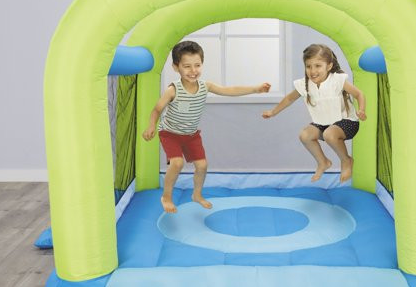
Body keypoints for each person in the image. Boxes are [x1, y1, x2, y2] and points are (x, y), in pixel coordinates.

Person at [142, 40, 271, 213]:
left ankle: (197, 195)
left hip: (191, 135)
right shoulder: (173, 90)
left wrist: (255, 89)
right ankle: (166, 196)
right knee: (177, 163)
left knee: (202, 166)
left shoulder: (205, 86)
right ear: (176, 67)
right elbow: (157, 109)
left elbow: (229, 90)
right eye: (187, 66)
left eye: (197, 65)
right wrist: (151, 126)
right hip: (170, 133)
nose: (193, 71)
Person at [262, 43, 366, 183]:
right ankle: (323, 162)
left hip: (347, 123)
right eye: (308, 66)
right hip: (323, 124)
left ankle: (346, 160)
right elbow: (289, 98)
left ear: (329, 66)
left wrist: (361, 110)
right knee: (305, 135)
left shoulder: (337, 80)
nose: (312, 71)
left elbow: (359, 94)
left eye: (318, 66)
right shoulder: (305, 84)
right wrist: (273, 112)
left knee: (329, 134)